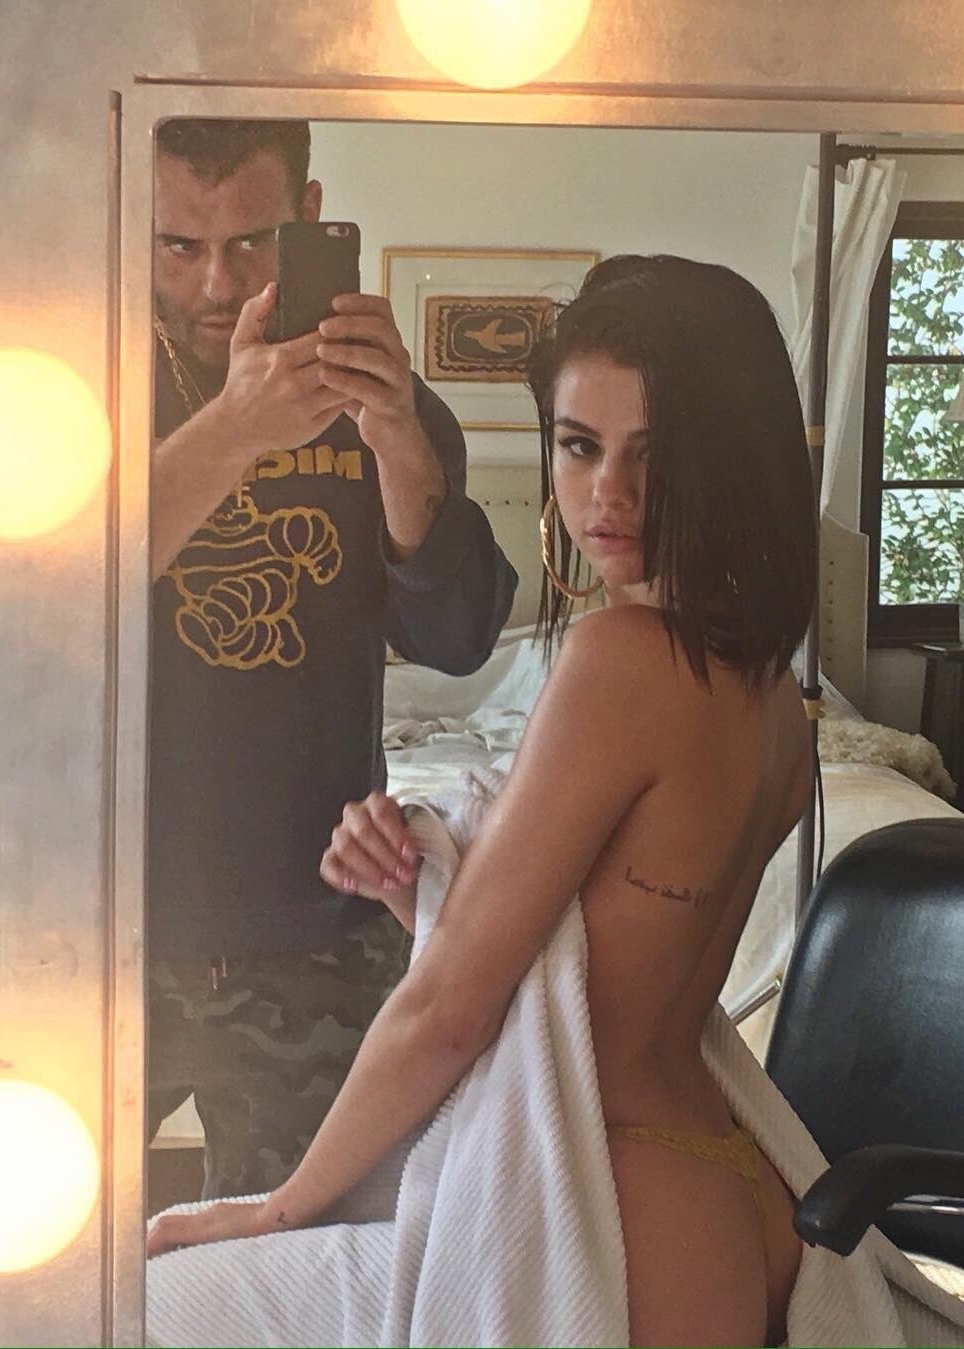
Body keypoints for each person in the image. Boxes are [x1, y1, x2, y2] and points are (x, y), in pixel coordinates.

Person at [148, 253, 817, 1346]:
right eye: (580, 445)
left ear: (731, 459)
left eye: (656, 454)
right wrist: (425, 890)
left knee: (140, 1303)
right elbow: (612, 950)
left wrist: (278, 1206)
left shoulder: (622, 659)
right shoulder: (776, 698)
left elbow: (452, 1010)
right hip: (723, 1195)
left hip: (608, 1206)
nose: (610, 493)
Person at [147, 118, 517, 1200]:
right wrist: (236, 428)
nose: (217, 283)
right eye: (178, 245)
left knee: (309, 1259)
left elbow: (457, 639)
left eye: (251, 242)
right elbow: (44, 608)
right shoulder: (69, 385)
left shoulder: (387, 397)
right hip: (100, 920)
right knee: (41, 1258)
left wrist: (395, 436)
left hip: (320, 925)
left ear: (310, 215)